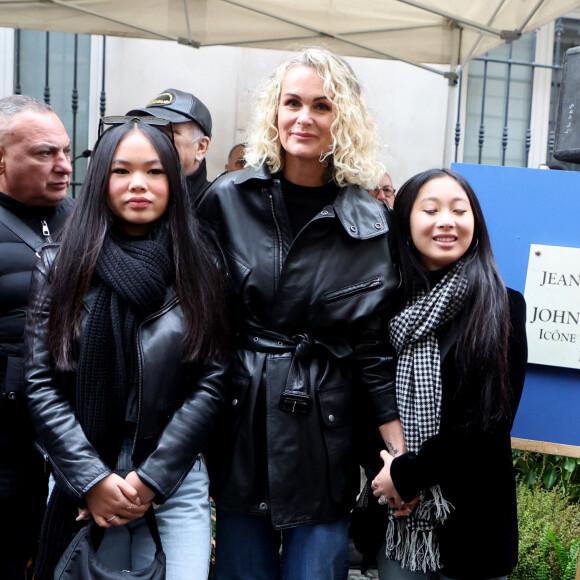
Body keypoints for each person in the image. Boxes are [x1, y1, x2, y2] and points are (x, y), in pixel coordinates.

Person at [198, 47, 404, 580]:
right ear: (275, 109)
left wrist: (399, 453)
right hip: (243, 417)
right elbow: (198, 326)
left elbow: (375, 349)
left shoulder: (372, 222)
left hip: (325, 425)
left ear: (345, 119)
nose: (304, 118)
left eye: (322, 106)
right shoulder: (227, 199)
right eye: (293, 102)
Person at [24, 117, 228, 580]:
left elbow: (212, 380)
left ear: (174, 181)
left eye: (155, 171)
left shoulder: (201, 263)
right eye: (122, 171)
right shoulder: (61, 264)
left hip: (172, 475)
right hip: (85, 473)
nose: (139, 184)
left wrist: (151, 479)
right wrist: (92, 480)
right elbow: (41, 382)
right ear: (101, 179)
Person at [370, 168, 528, 580]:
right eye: (431, 209)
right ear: (405, 221)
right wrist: (390, 476)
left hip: (474, 525)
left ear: (475, 224)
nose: (446, 221)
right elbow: (368, 397)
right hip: (399, 520)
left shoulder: (503, 307)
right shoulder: (383, 307)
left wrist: (409, 474)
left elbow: (492, 422)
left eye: (460, 210)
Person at [0, 94, 74, 579]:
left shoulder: (88, 218)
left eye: (66, 151)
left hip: (75, 439)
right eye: (44, 153)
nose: (63, 165)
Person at [127, 88, 213, 207]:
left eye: (168, 133)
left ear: (201, 147)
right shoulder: (129, 198)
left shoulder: (215, 208)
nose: (154, 140)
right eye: (149, 131)